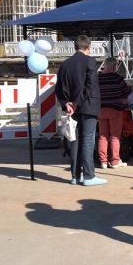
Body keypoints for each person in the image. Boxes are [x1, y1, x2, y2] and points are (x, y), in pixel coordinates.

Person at [55, 35, 107, 186]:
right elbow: (89, 86)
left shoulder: (65, 64)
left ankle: (75, 176)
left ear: (75, 47)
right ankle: (89, 176)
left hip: (72, 109)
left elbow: (59, 89)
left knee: (75, 141)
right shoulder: (90, 61)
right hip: (88, 106)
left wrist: (67, 104)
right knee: (88, 140)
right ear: (88, 47)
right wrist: (77, 103)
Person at [97, 57, 131, 169]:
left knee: (103, 136)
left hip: (101, 109)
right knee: (115, 136)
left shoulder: (98, 78)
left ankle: (103, 161)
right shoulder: (118, 78)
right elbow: (127, 92)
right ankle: (115, 161)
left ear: (105, 65)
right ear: (115, 66)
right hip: (115, 109)